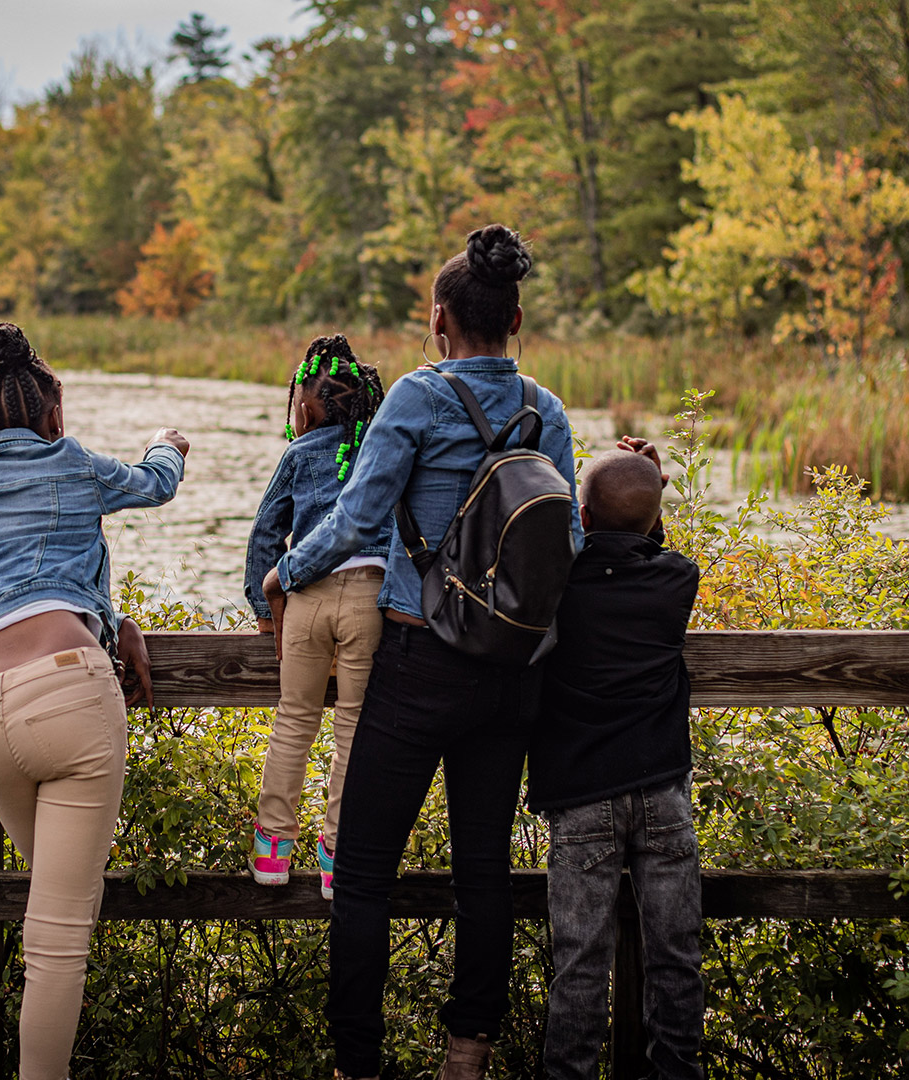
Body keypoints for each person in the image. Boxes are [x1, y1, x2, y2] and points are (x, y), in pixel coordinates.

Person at [263, 224, 582, 1080]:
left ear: (439, 320)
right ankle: (466, 1055)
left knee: (364, 872)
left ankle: (358, 1064)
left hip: (418, 660)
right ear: (516, 319)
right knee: (484, 872)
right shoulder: (546, 410)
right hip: (512, 674)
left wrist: (286, 572)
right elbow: (570, 544)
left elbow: (357, 520)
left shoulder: (415, 397)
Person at [0, 322, 189, 1080]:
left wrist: (113, 621)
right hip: (66, 696)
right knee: (58, 938)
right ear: (55, 416)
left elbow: (14, 587)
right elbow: (154, 485)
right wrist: (167, 444)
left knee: (61, 906)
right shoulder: (75, 461)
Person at [528, 446, 704, 1080]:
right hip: (662, 791)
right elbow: (651, 547)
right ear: (655, 518)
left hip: (581, 796)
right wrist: (649, 492)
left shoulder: (557, 586)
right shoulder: (678, 580)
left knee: (580, 964)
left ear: (582, 515)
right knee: (676, 956)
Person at [242, 334, 391, 900]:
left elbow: (265, 533)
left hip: (304, 598)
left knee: (294, 720)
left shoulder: (299, 454)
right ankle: (337, 855)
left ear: (304, 409)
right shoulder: (384, 452)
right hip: (369, 602)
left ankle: (272, 850)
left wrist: (265, 612)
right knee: (352, 727)